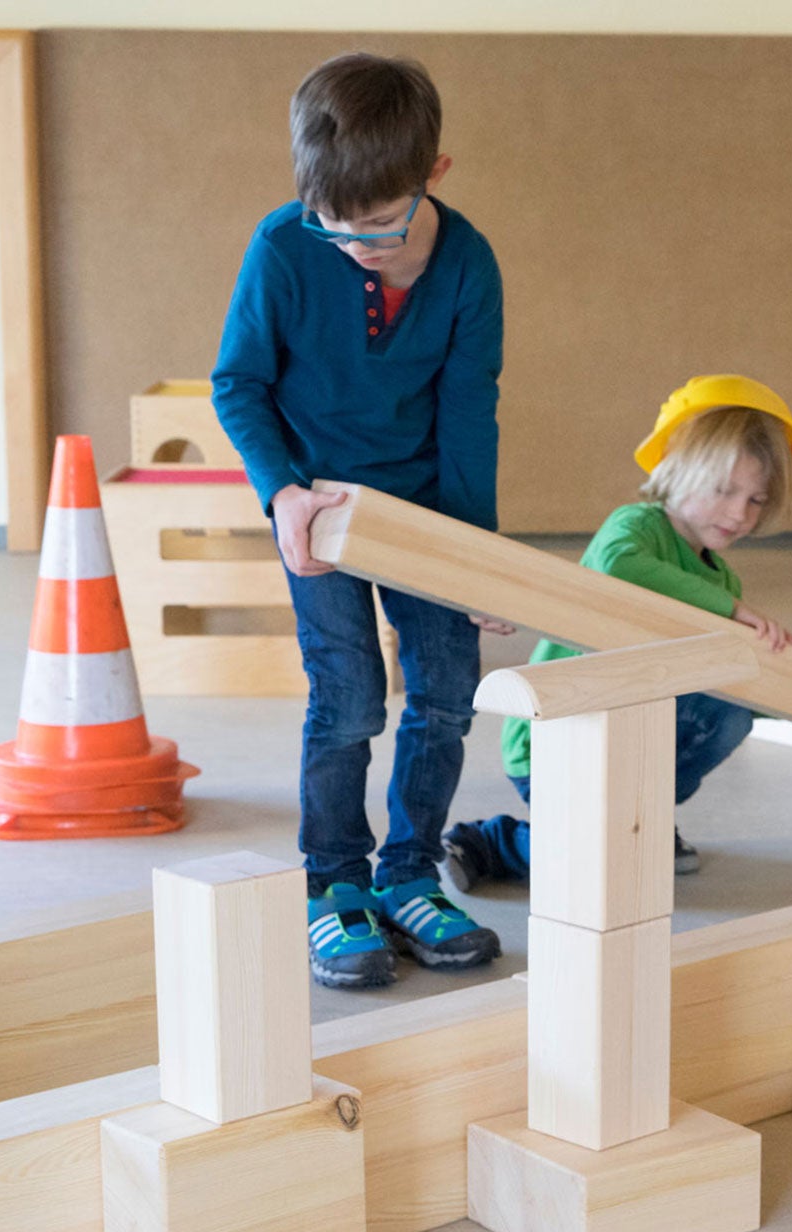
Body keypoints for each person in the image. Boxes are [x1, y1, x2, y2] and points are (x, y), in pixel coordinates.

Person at [212, 52, 510, 988]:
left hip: (422, 510)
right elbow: (241, 384)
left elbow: (468, 414)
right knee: (346, 701)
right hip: (319, 514)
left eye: (378, 226)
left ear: (434, 176)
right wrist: (283, 490)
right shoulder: (281, 246)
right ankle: (333, 883)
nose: (352, 245)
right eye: (330, 225)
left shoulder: (468, 266)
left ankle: (409, 873)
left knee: (447, 689)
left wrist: (475, 562)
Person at [441, 374, 792, 888]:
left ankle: (639, 817)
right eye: (724, 490)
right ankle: (497, 843)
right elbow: (618, 567)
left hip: (632, 740)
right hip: (558, 735)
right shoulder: (636, 529)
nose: (740, 513)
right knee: (598, 865)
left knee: (730, 713)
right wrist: (728, 607)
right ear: (677, 471)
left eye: (756, 500)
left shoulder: (721, 580)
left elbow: (738, 680)